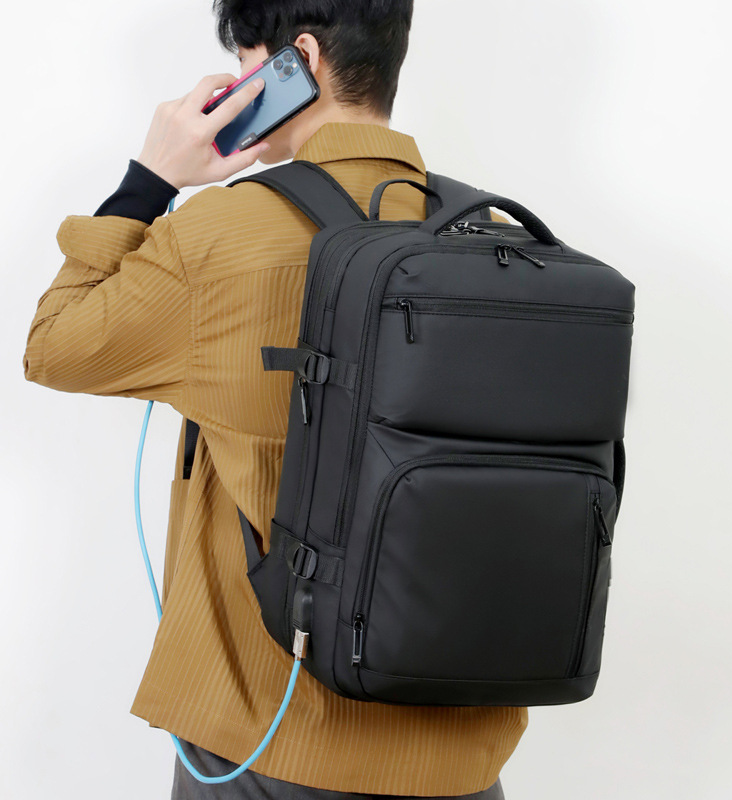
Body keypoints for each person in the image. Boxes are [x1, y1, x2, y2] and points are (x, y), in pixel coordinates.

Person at [22, 1, 526, 797]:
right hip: (461, 749)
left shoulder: (218, 235)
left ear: (304, 59)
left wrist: (151, 178)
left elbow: (54, 346)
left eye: (248, 65)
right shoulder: (500, 239)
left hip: (274, 739)